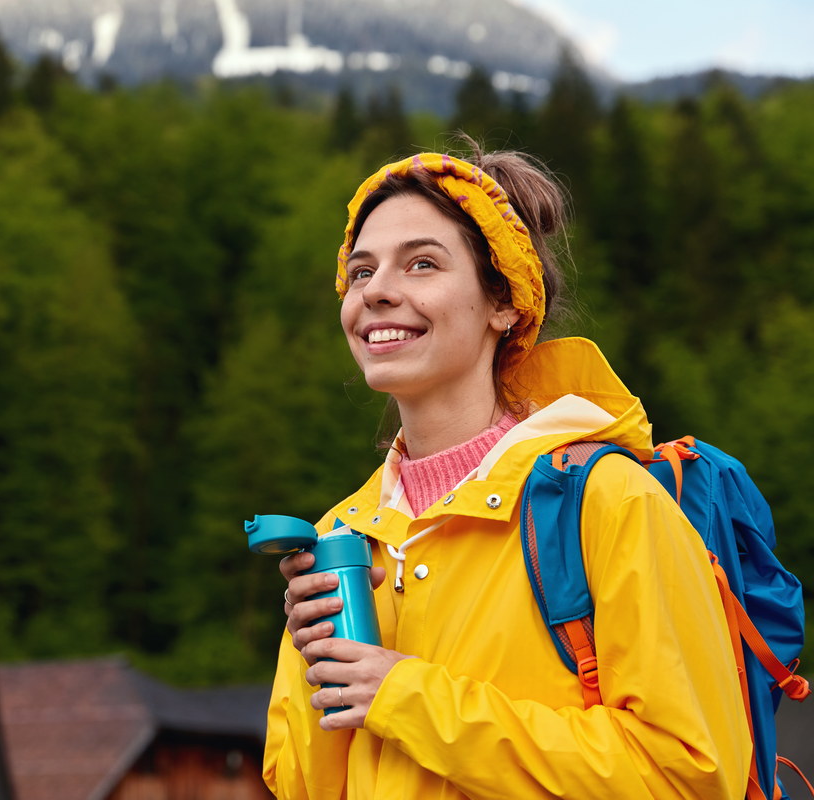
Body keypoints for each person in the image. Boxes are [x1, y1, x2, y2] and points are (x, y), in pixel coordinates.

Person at [262, 144, 751, 798]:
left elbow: (691, 773)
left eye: (423, 264)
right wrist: (317, 660)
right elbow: (303, 787)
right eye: (360, 272)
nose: (376, 291)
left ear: (505, 304)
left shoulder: (607, 502)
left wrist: (407, 696)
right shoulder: (342, 537)